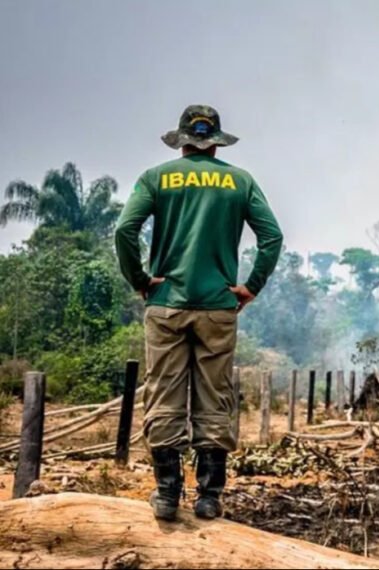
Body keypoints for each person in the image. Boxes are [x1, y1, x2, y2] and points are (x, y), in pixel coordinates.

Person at [114, 104, 283, 521]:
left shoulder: (156, 178)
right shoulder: (240, 181)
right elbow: (272, 237)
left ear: (183, 139)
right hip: (218, 308)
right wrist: (251, 286)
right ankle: (209, 497)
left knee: (164, 393)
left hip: (167, 305)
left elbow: (124, 230)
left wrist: (140, 279)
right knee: (215, 395)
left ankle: (168, 496)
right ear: (216, 142)